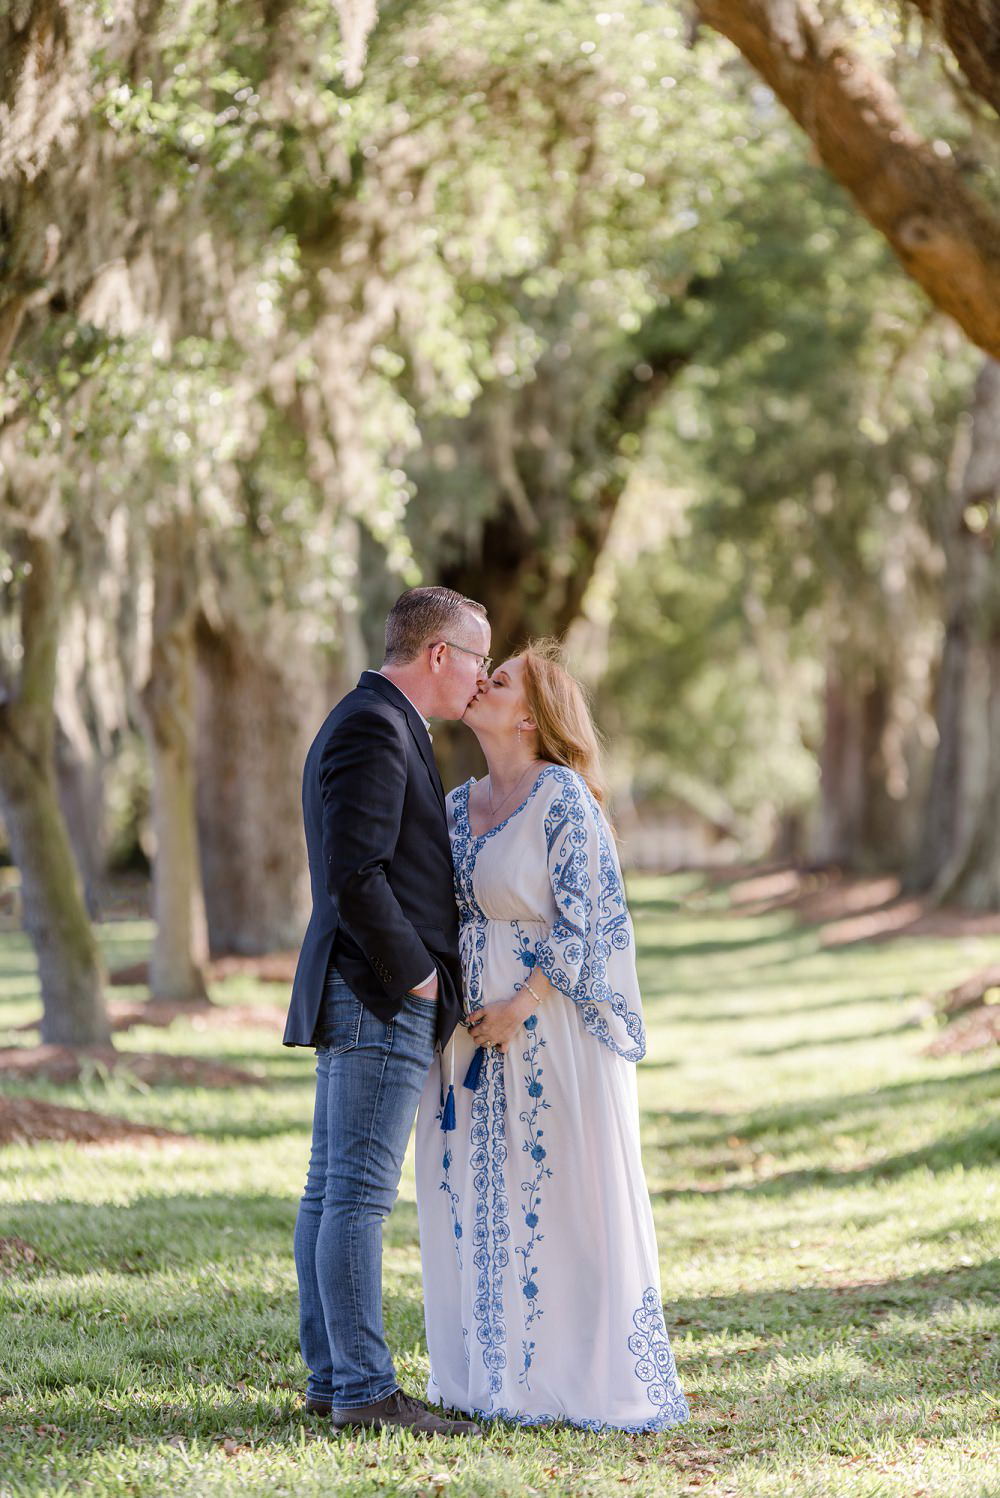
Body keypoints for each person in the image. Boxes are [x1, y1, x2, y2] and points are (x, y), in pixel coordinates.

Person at [414, 638, 689, 1432]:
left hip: (551, 1031)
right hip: (466, 1037)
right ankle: (487, 1378)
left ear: (529, 714)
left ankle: (568, 1380)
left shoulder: (562, 798)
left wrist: (521, 1003)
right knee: (470, 1192)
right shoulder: (454, 804)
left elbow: (590, 919)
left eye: (497, 680)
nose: (480, 684)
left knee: (559, 1193)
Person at [284, 586, 491, 1436]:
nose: (481, 678)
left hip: (364, 989)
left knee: (330, 1193)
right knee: (356, 1199)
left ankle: (335, 1382)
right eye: (478, 658)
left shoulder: (377, 718)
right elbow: (355, 874)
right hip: (377, 992)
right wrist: (420, 979)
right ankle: (365, 1392)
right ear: (438, 654)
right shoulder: (375, 725)